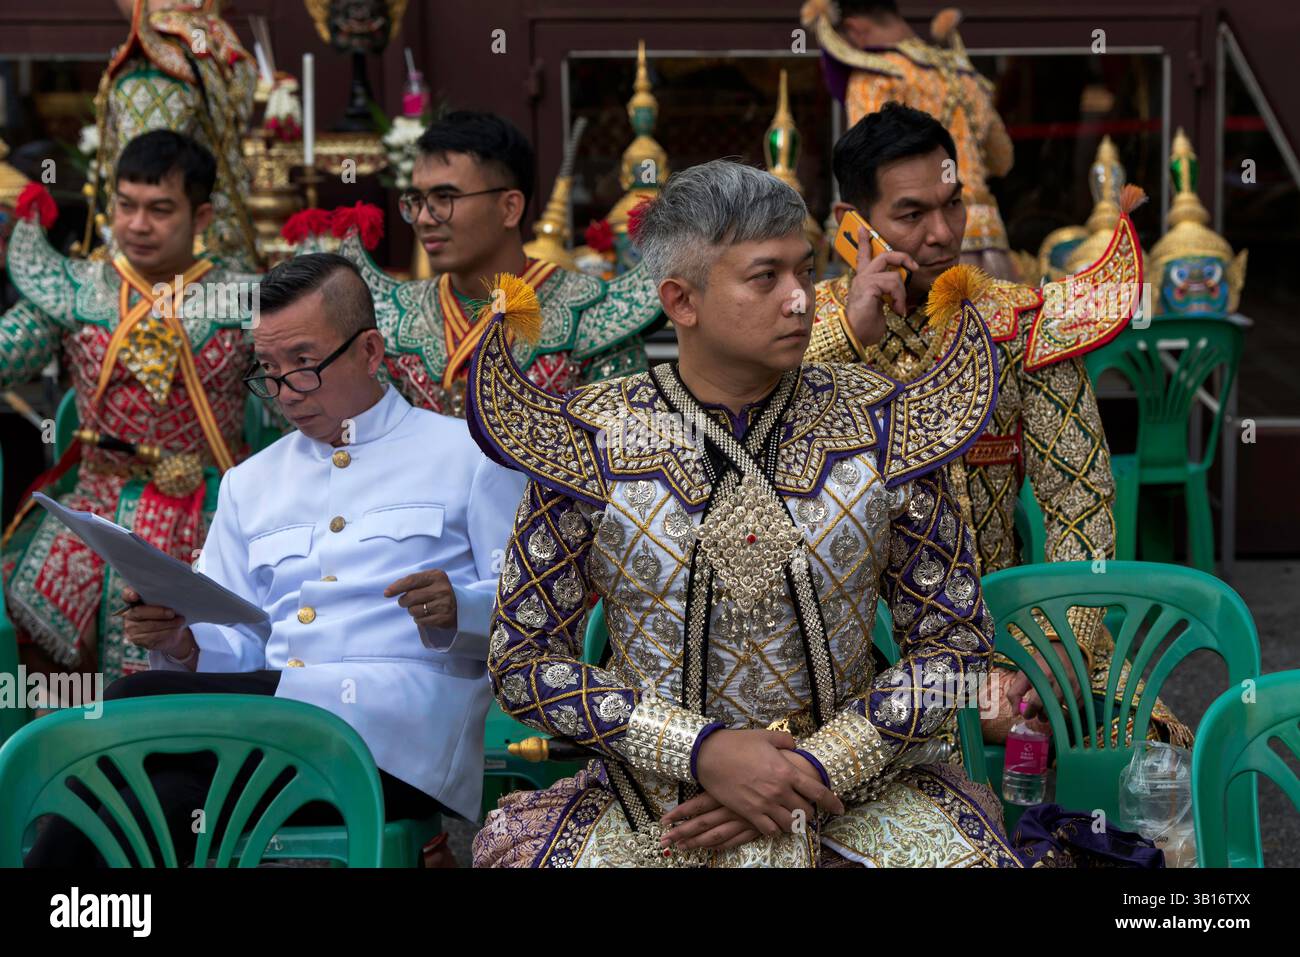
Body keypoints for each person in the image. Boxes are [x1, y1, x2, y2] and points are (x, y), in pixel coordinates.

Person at [468, 159, 1020, 867]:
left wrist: (816, 766)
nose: (801, 300)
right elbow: (521, 661)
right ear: (682, 300)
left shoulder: (884, 421)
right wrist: (699, 750)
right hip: (653, 805)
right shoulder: (596, 438)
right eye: (766, 278)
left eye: (805, 270)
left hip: (854, 793)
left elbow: (957, 651)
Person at [25, 253, 526, 866]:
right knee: (131, 807)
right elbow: (234, 637)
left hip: (396, 744)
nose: (286, 392)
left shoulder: (470, 455)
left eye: (305, 365)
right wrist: (183, 642)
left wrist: (458, 609)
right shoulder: (250, 482)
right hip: (263, 734)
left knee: (134, 700)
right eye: (268, 369)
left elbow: (530, 611)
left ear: (370, 351)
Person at [805, 103, 1190, 748]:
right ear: (854, 227)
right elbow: (741, 456)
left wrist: (1061, 648)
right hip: (841, 659)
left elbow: (1079, 499)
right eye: (911, 214)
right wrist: (848, 335)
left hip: (1002, 641)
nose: (942, 233)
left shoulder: (1016, 324)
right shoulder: (808, 331)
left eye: (952, 204)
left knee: (1143, 738)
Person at [1, 131, 260, 686]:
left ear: (202, 214)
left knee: (217, 632)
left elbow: (297, 397)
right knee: (25, 595)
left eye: (160, 210)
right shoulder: (78, 290)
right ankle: (66, 751)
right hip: (92, 504)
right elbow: (8, 349)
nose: (138, 225)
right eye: (126, 205)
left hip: (211, 502)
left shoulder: (244, 300)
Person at [339, 110, 662, 417]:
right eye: (417, 201)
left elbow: (626, 450)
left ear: (509, 208)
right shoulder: (395, 322)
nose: (424, 218)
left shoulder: (592, 315)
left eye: (445, 199)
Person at [801, 1, 1020, 279]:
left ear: (854, 30)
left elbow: (864, 168)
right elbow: (1003, 160)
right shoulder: (963, 73)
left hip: (917, 245)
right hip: (990, 237)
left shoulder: (877, 75)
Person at [92, 0, 259, 265]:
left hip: (176, 270)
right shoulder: (215, 40)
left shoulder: (158, 64)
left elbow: (147, 186)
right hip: (229, 255)